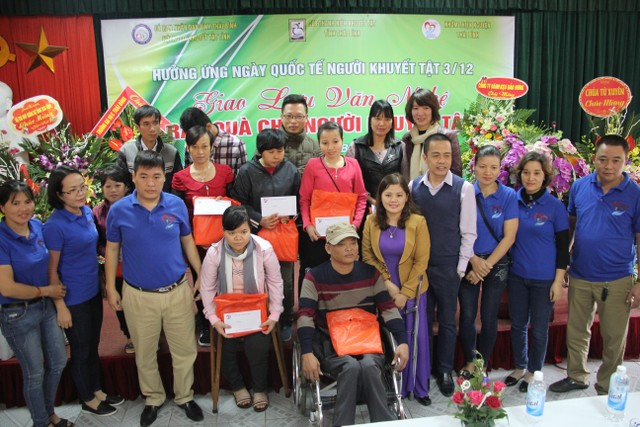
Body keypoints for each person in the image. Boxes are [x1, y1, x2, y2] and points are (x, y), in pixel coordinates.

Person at [104, 151, 203, 427]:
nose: (151, 183)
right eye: (144, 176)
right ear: (133, 177)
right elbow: (111, 249)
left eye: (157, 176)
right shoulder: (119, 210)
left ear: (164, 177)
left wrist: (200, 274)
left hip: (177, 291)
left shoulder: (176, 204)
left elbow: (187, 241)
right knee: (145, 352)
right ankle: (153, 398)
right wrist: (111, 287)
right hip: (138, 295)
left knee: (185, 349)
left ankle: (185, 396)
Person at [550, 135, 640, 395]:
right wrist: (564, 263)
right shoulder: (579, 187)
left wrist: (638, 281)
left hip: (617, 277)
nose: (609, 166)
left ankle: (607, 384)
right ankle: (576, 376)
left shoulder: (635, 194)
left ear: (625, 161)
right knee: (577, 330)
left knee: (614, 336)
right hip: (581, 273)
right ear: (594, 159)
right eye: (603, 159)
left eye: (616, 160)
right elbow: (571, 227)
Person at [298, 222, 409, 426]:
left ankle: (383, 423)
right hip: (331, 344)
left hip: (368, 340)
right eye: (341, 244)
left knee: (368, 365)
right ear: (328, 248)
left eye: (353, 242)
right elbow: (305, 316)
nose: (349, 248)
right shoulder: (314, 278)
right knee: (349, 366)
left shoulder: (371, 274)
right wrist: (306, 352)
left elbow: (388, 309)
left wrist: (402, 341)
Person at [43, 166, 123, 417]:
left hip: (92, 291)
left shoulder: (86, 212)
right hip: (72, 297)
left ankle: (97, 390)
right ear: (59, 194)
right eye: (73, 190)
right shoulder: (54, 226)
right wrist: (60, 306)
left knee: (92, 344)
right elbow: (51, 271)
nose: (80, 193)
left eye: (82, 187)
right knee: (81, 349)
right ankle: (87, 398)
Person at [410, 132, 476, 397]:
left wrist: (460, 268)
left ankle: (445, 370)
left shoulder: (464, 188)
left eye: (447, 155)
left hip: (449, 267)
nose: (442, 161)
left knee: (448, 321)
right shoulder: (413, 187)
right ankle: (423, 370)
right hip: (420, 267)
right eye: (436, 155)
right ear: (425, 157)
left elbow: (468, 232)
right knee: (423, 321)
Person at [199, 205, 284, 412]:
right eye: (232, 233)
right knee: (225, 351)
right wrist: (213, 319)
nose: (238, 237)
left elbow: (275, 282)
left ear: (250, 229)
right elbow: (207, 288)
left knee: (258, 350)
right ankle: (238, 387)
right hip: (226, 312)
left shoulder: (263, 248)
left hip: (256, 311)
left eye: (243, 232)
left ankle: (260, 389)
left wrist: (274, 314)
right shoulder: (214, 252)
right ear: (223, 231)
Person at [0, 180, 70, 427]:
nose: (23, 208)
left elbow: (51, 266)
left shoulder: (38, 226)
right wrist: (46, 291)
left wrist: (54, 299)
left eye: (27, 201)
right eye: (15, 203)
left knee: (58, 361)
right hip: (17, 313)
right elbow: (7, 287)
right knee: (34, 372)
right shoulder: (2, 238)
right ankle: (42, 422)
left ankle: (48, 413)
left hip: (45, 307)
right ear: (2, 207)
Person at [361, 173, 431, 405]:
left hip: (413, 290)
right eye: (388, 195)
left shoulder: (418, 222)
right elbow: (367, 256)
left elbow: (421, 261)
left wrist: (405, 293)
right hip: (383, 290)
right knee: (388, 337)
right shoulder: (371, 222)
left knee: (415, 337)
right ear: (380, 197)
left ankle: (418, 388)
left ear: (406, 197)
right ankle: (392, 388)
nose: (393, 200)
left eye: (399, 195)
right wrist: (389, 285)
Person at [505, 151, 569, 392]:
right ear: (519, 174)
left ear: (545, 176)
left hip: (544, 279)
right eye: (526, 172)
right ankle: (520, 366)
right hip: (517, 276)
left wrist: (558, 281)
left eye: (536, 173)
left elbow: (563, 247)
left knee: (540, 328)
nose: (530, 178)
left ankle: (534, 371)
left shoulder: (555, 206)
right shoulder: (512, 200)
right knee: (517, 324)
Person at [230, 128, 300, 342]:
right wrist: (259, 219)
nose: (277, 156)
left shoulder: (290, 170)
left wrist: (291, 214)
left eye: (280, 151)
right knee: (255, 279)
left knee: (285, 280)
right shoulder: (246, 171)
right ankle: (257, 317)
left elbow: (298, 199)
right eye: (271, 152)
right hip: (257, 235)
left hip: (283, 235)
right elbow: (239, 202)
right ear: (261, 151)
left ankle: (286, 319)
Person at [172, 124, 234, 347]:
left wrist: (224, 202)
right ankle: (206, 321)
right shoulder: (180, 177)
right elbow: (177, 210)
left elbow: (236, 204)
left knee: (228, 278)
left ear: (212, 147)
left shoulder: (225, 172)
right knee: (202, 279)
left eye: (204, 146)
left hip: (224, 238)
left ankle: (229, 315)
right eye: (195, 147)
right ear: (188, 148)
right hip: (194, 240)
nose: (200, 152)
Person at [458, 146, 518, 375]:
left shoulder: (508, 196)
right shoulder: (464, 192)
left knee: (489, 316)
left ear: (500, 169)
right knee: (467, 315)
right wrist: (473, 260)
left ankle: (482, 364)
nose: (487, 172)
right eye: (482, 166)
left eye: (493, 167)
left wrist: (485, 266)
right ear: (474, 166)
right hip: (469, 259)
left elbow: (509, 237)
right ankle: (469, 361)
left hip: (496, 262)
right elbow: (456, 230)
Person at [298, 121, 367, 288]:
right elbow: (304, 198)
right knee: (316, 278)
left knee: (344, 278)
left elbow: (361, 197)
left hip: (345, 234)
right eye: (325, 142)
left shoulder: (353, 164)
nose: (330, 147)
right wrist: (307, 225)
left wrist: (355, 225)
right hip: (318, 235)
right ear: (319, 143)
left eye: (335, 141)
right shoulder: (312, 165)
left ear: (342, 140)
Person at [92, 165, 132, 353]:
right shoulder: (97, 213)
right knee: (120, 303)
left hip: (138, 265)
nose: (113, 190)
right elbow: (97, 241)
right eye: (108, 186)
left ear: (126, 186)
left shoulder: (137, 207)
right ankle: (130, 336)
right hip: (114, 268)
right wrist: (111, 251)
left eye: (117, 185)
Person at [346, 100, 406, 206]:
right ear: (370, 120)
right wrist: (371, 200)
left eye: (387, 119)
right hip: (364, 207)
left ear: (392, 122)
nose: (382, 123)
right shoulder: (356, 147)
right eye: (377, 118)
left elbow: (405, 179)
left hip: (394, 206)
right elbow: (350, 182)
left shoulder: (400, 146)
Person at [117, 105, 183, 192]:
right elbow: (121, 184)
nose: (152, 129)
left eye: (155, 123)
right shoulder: (126, 151)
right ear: (137, 127)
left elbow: (178, 185)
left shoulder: (171, 152)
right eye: (146, 124)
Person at [402, 88, 462, 179]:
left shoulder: (447, 136)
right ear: (410, 111)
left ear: (433, 110)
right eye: (416, 108)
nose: (420, 113)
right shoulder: (408, 139)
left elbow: (456, 172)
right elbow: (404, 171)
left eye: (426, 108)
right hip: (413, 187)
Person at [179, 107, 247, 175]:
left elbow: (243, 178)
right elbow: (187, 175)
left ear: (208, 126)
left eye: (197, 136)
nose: (195, 140)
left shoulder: (235, 144)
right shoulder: (190, 145)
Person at [280, 94, 321, 174]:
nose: (293, 121)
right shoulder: (268, 144)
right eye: (289, 116)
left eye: (299, 116)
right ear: (282, 117)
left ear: (306, 118)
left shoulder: (316, 147)